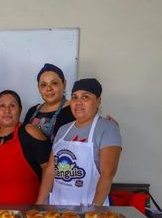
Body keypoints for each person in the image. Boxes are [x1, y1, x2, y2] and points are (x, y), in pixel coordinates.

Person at [36, 78, 122, 206]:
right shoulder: (63, 130)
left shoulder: (107, 128)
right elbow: (50, 171)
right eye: (74, 97)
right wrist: (39, 204)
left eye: (85, 97)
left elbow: (108, 173)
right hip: (57, 207)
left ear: (98, 101)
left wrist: (94, 209)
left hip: (88, 209)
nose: (78, 102)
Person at [0, 90, 51, 204]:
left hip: (27, 210)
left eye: (12, 106)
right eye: (2, 106)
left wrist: (40, 204)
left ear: (20, 110)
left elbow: (48, 168)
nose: (7, 111)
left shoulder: (30, 132)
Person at [23, 63, 76, 141]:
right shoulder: (32, 111)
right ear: (39, 88)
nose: (49, 89)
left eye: (54, 83)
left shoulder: (73, 111)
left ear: (64, 84)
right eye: (43, 85)